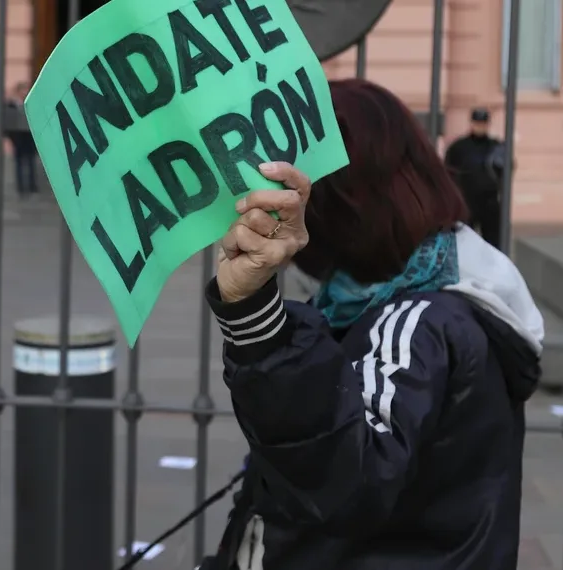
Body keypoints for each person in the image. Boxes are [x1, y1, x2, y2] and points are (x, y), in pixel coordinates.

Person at [201, 79, 544, 570]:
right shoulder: (382, 300)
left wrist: (255, 315)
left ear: (348, 198)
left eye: (301, 189)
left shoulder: (419, 322)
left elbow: (344, 481)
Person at [443, 108, 508, 248]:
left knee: (493, 245)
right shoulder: (458, 147)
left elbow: (507, 170)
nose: (480, 127)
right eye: (478, 123)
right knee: (464, 243)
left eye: (483, 123)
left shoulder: (496, 146)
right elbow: (448, 173)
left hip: (490, 203)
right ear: (471, 123)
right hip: (466, 202)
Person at [6, 81, 38, 197]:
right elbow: (7, 124)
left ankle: (32, 187)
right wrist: (12, 139)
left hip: (29, 141)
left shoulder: (31, 104)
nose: (25, 92)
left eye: (26, 89)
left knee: (31, 164)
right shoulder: (11, 105)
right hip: (18, 141)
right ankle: (21, 189)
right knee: (19, 164)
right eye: (22, 90)